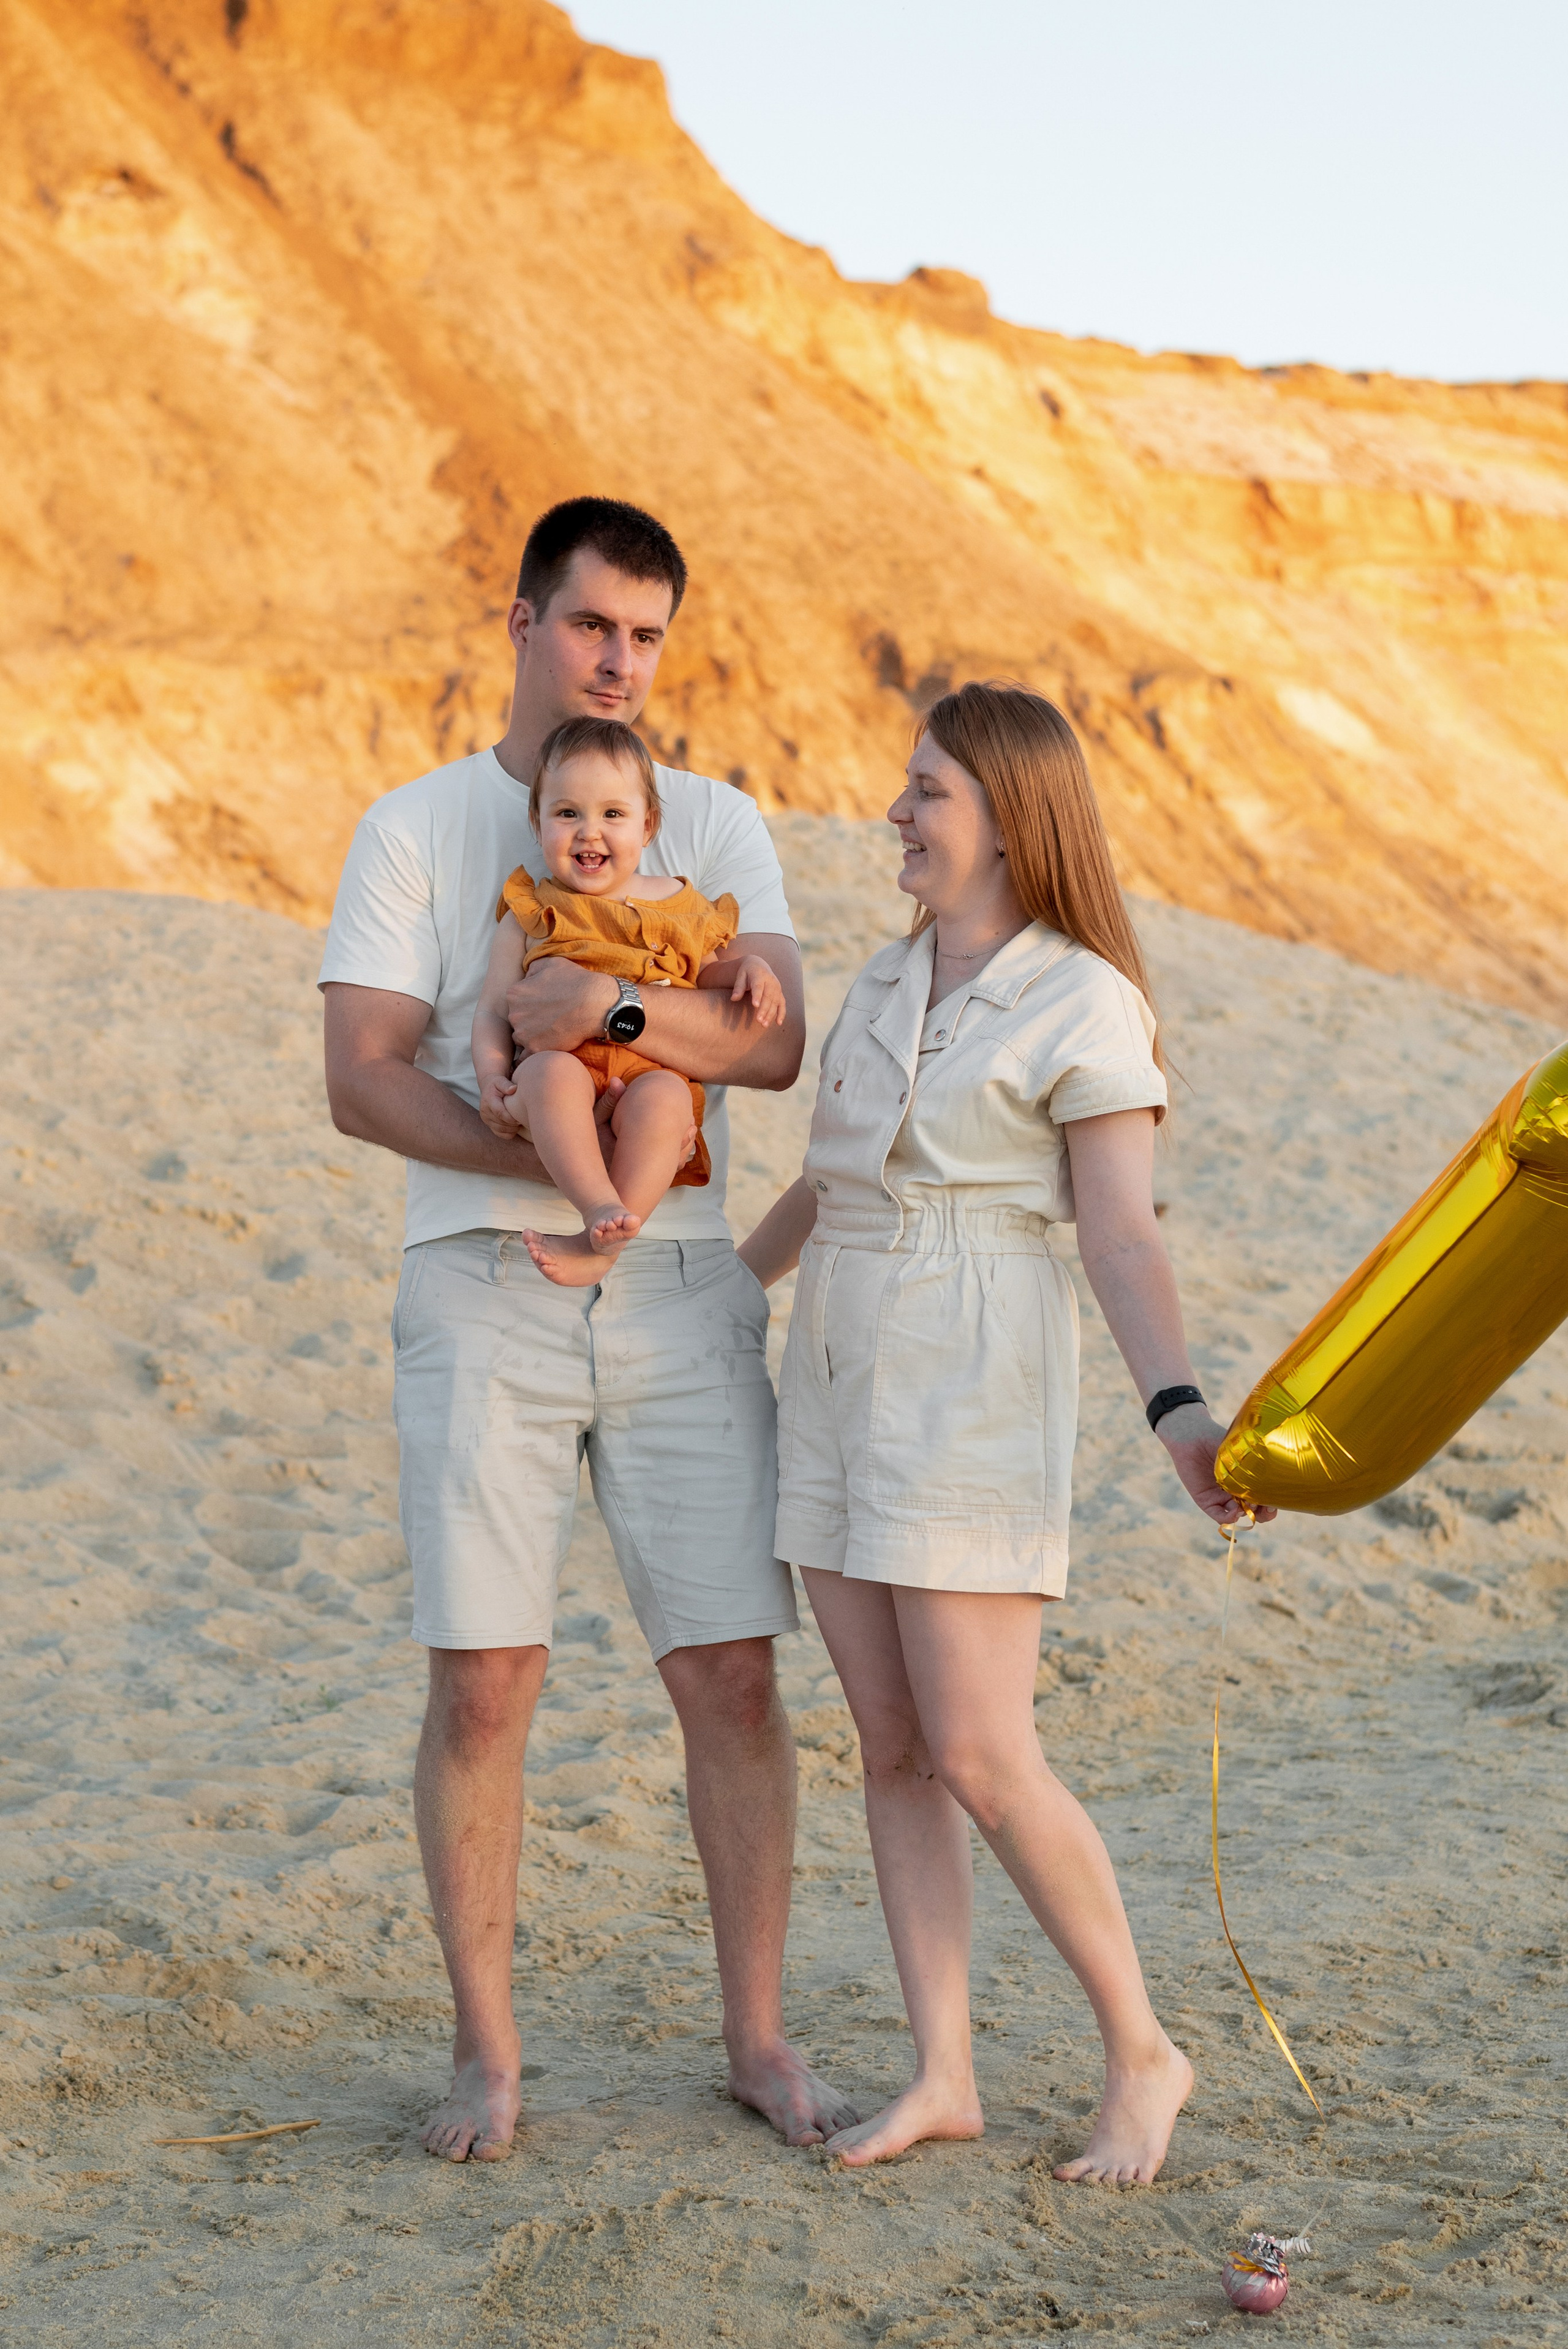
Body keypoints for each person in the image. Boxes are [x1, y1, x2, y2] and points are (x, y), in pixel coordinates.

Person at [320, 496, 856, 2162]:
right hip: (482, 1280)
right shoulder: (415, 830)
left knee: (729, 1673)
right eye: (589, 625)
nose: (616, 659)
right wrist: (555, 1147)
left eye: (644, 634)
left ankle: (757, 2039)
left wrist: (604, 1012)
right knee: (485, 1681)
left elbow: (769, 1046)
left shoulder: (713, 814)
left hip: (687, 1285)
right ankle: (489, 2057)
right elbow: (362, 1077)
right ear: (522, 621)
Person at [738, 681, 1275, 2183]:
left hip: (974, 1373)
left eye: (925, 794)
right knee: (893, 1746)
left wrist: (1177, 1410)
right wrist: (726, 1298)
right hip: (834, 1368)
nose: (895, 817)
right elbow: (821, 1180)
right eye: (904, 788)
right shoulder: (880, 978)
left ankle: (1141, 2049)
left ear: (1004, 820)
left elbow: (1119, 1234)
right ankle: (944, 2070)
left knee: (980, 1745)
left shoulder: (1083, 997)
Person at [472, 716, 785, 1284]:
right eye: (567, 813)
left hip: (645, 1075)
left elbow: (711, 977)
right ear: (537, 822)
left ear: (648, 827)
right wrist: (492, 1077)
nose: (589, 832)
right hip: (558, 1071)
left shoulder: (682, 908)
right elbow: (494, 1008)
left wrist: (752, 968)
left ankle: (615, 1233)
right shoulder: (533, 912)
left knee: (667, 1099)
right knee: (550, 1077)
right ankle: (597, 1208)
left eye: (613, 814)